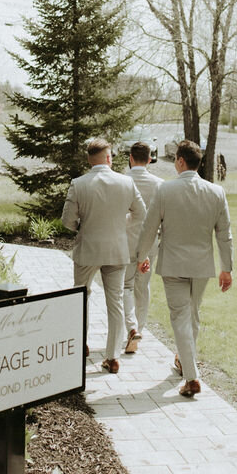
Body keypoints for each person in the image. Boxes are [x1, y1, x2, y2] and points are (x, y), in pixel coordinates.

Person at [136, 139, 233, 398]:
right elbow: (224, 235)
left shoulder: (165, 191)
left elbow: (148, 227)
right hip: (202, 266)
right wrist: (227, 268)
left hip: (174, 264)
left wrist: (141, 256)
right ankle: (184, 359)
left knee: (181, 317)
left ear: (180, 161)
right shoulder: (216, 192)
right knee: (192, 314)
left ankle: (191, 378)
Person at [62, 138, 145, 374]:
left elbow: (67, 220)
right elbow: (141, 214)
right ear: (108, 158)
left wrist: (82, 226)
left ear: (89, 160)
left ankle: (81, 345)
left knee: (80, 298)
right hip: (117, 249)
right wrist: (121, 225)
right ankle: (112, 356)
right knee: (115, 303)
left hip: (88, 248)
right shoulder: (126, 182)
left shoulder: (79, 184)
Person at [123, 141, 163, 354]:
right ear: (149, 159)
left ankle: (132, 328)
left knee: (126, 286)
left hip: (125, 241)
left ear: (130, 158)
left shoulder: (120, 180)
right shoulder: (160, 184)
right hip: (150, 244)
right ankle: (140, 327)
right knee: (143, 285)